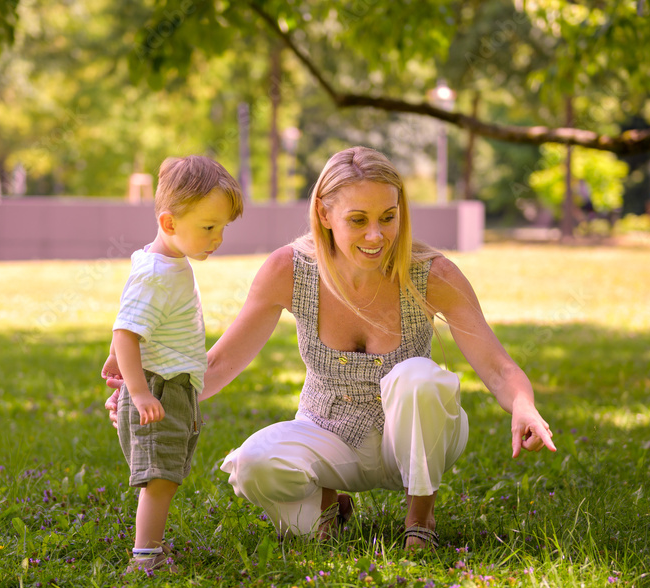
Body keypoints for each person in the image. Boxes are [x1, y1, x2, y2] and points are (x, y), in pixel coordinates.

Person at [106, 146, 554, 549]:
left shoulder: (432, 274)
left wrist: (524, 405)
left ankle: (420, 518)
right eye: (358, 220)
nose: (376, 235)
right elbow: (220, 363)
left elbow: (496, 366)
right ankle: (328, 506)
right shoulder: (290, 269)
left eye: (388, 217)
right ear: (324, 214)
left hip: (414, 439)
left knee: (417, 377)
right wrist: (146, 390)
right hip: (328, 433)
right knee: (253, 464)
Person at [102, 155, 243, 572]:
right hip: (159, 388)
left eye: (222, 228)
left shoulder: (167, 261)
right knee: (159, 478)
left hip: (172, 386)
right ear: (169, 224)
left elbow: (134, 327)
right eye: (208, 227)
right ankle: (145, 558)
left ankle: (153, 550)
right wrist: (140, 392)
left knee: (167, 474)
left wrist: (117, 363)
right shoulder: (156, 273)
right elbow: (125, 333)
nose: (217, 238)